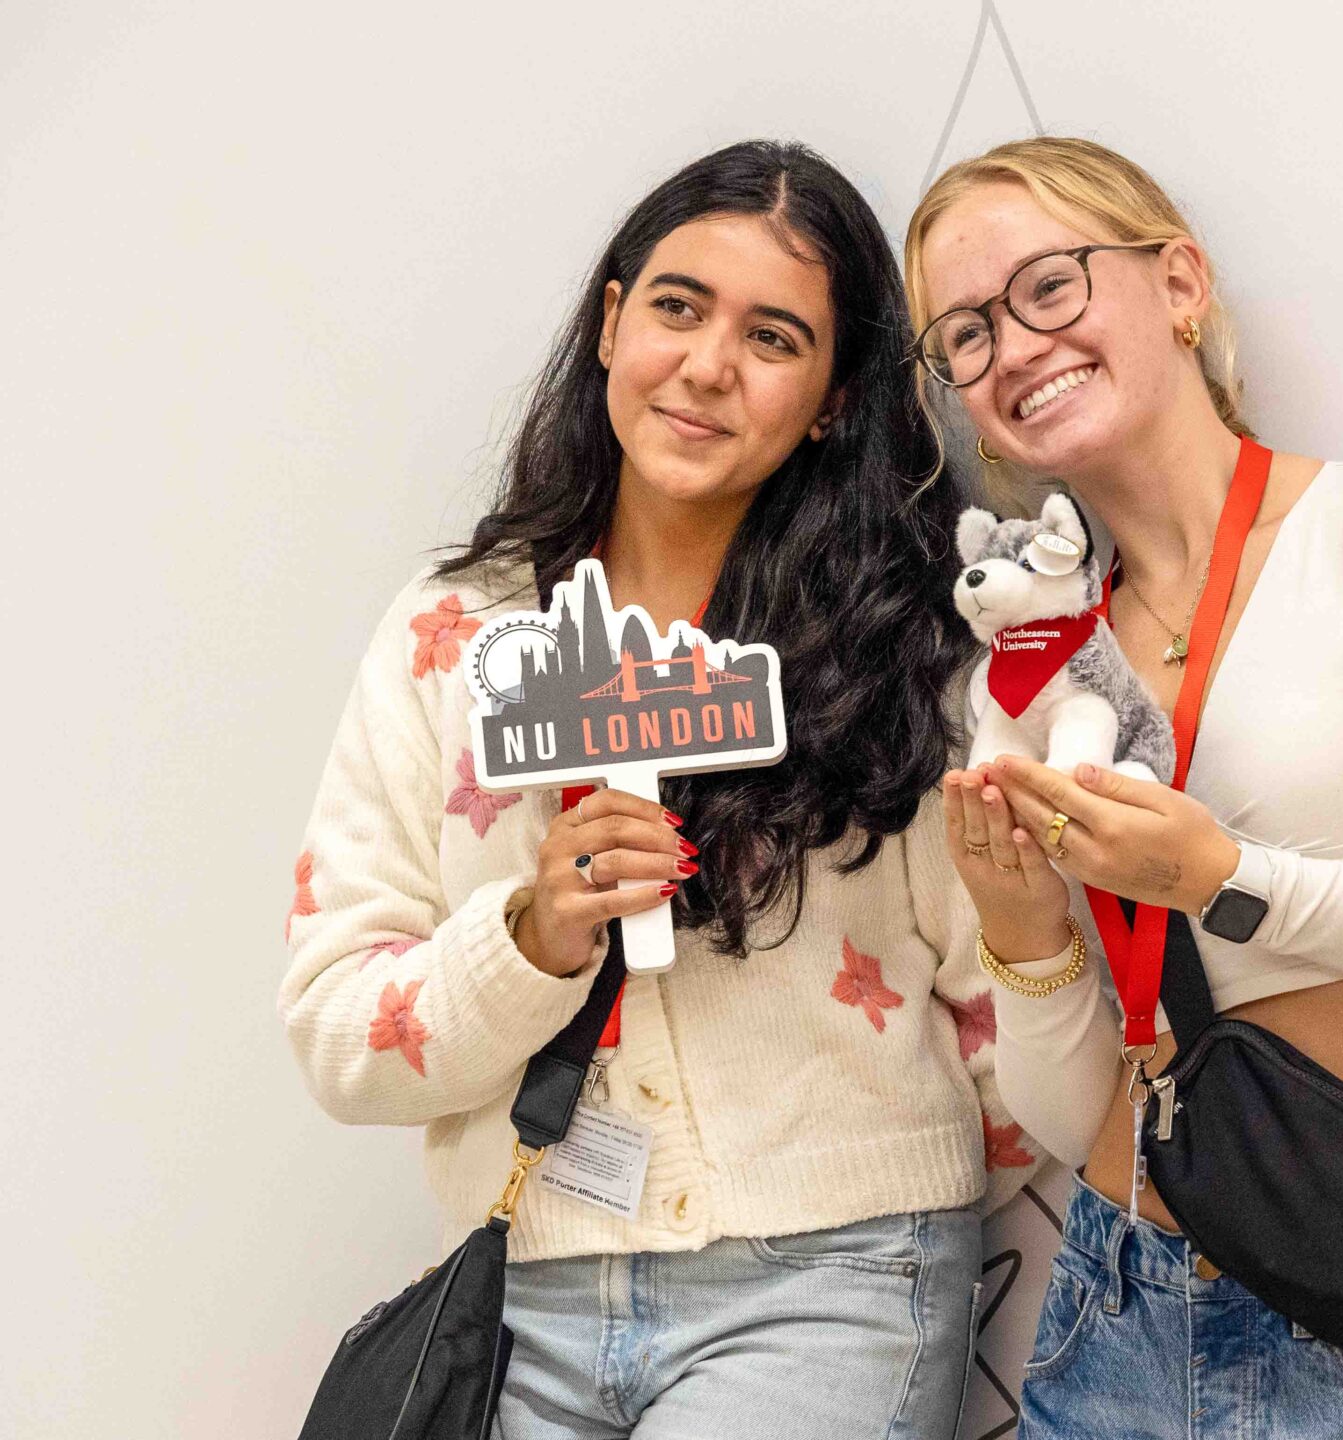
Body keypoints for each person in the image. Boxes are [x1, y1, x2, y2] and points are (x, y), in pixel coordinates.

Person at [280, 140, 1032, 1439]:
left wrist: (858, 1166)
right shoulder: (450, 634)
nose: (706, 367)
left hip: (832, 1276)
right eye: (678, 308)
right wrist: (528, 939)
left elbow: (1004, 1013)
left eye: (774, 337)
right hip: (521, 1293)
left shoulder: (904, 643)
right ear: (614, 318)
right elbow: (341, 1034)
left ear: (837, 396)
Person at [905, 136, 1343, 1437]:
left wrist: (1229, 885)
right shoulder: (1032, 681)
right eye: (966, 332)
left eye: (1048, 287)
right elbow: (1074, 1113)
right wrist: (1026, 939)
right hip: (1115, 1328)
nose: (1013, 345)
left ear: (1178, 283)